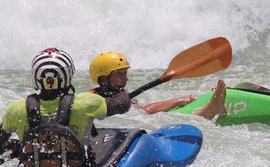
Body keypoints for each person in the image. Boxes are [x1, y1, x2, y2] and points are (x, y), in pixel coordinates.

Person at [0, 47, 116, 167]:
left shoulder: (16, 108)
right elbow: (121, 105)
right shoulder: (86, 102)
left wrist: (15, 145)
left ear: (36, 76)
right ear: (68, 74)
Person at [88, 51, 228, 120]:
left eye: (125, 73)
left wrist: (180, 101)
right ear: (103, 77)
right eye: (119, 74)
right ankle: (206, 113)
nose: (125, 79)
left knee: (173, 109)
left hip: (139, 118)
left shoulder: (117, 94)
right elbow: (142, 110)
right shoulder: (96, 99)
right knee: (168, 116)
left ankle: (211, 103)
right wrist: (176, 100)